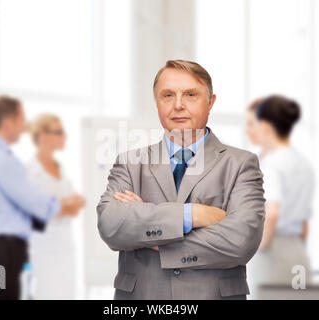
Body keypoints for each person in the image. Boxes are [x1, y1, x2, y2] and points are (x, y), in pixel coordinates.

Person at [97, 60, 266, 300]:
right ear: (157, 102)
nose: (178, 105)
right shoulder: (130, 163)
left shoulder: (240, 164)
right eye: (167, 95)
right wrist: (192, 215)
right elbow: (111, 225)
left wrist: (151, 235)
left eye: (190, 95)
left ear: (210, 102)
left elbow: (241, 240)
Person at [0, 95, 84, 300]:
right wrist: (62, 206)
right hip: (1, 249)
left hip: (12, 248)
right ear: (7, 122)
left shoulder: (0, 156)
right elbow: (31, 201)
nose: (24, 127)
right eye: (21, 121)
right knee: (1, 295)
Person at [246, 95, 315, 299]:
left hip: (272, 250)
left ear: (265, 125)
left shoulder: (273, 164)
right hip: (297, 252)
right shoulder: (303, 163)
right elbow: (304, 224)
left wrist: (258, 248)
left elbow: (272, 213)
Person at [27, 114, 85, 300]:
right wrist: (63, 206)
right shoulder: (29, 172)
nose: (64, 137)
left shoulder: (60, 168)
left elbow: (74, 205)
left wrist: (61, 206)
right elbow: (36, 211)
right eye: (58, 132)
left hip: (66, 248)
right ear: (43, 137)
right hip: (43, 250)